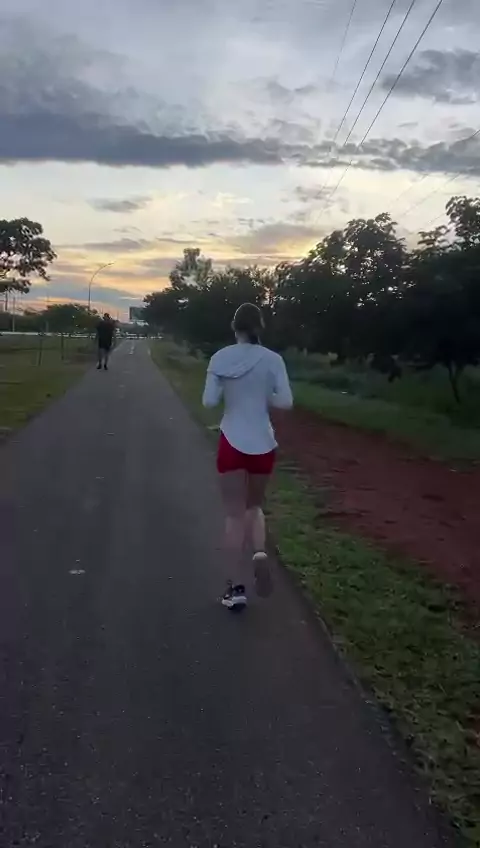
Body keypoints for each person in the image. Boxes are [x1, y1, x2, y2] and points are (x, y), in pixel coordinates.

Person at [202, 303, 293, 610]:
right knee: (254, 507)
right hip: (263, 443)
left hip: (232, 441)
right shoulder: (273, 359)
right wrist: (262, 395)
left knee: (233, 515)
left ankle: (235, 588)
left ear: (234, 327)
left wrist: (228, 389)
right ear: (260, 327)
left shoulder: (220, 357)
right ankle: (259, 553)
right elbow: (286, 402)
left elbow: (209, 401)